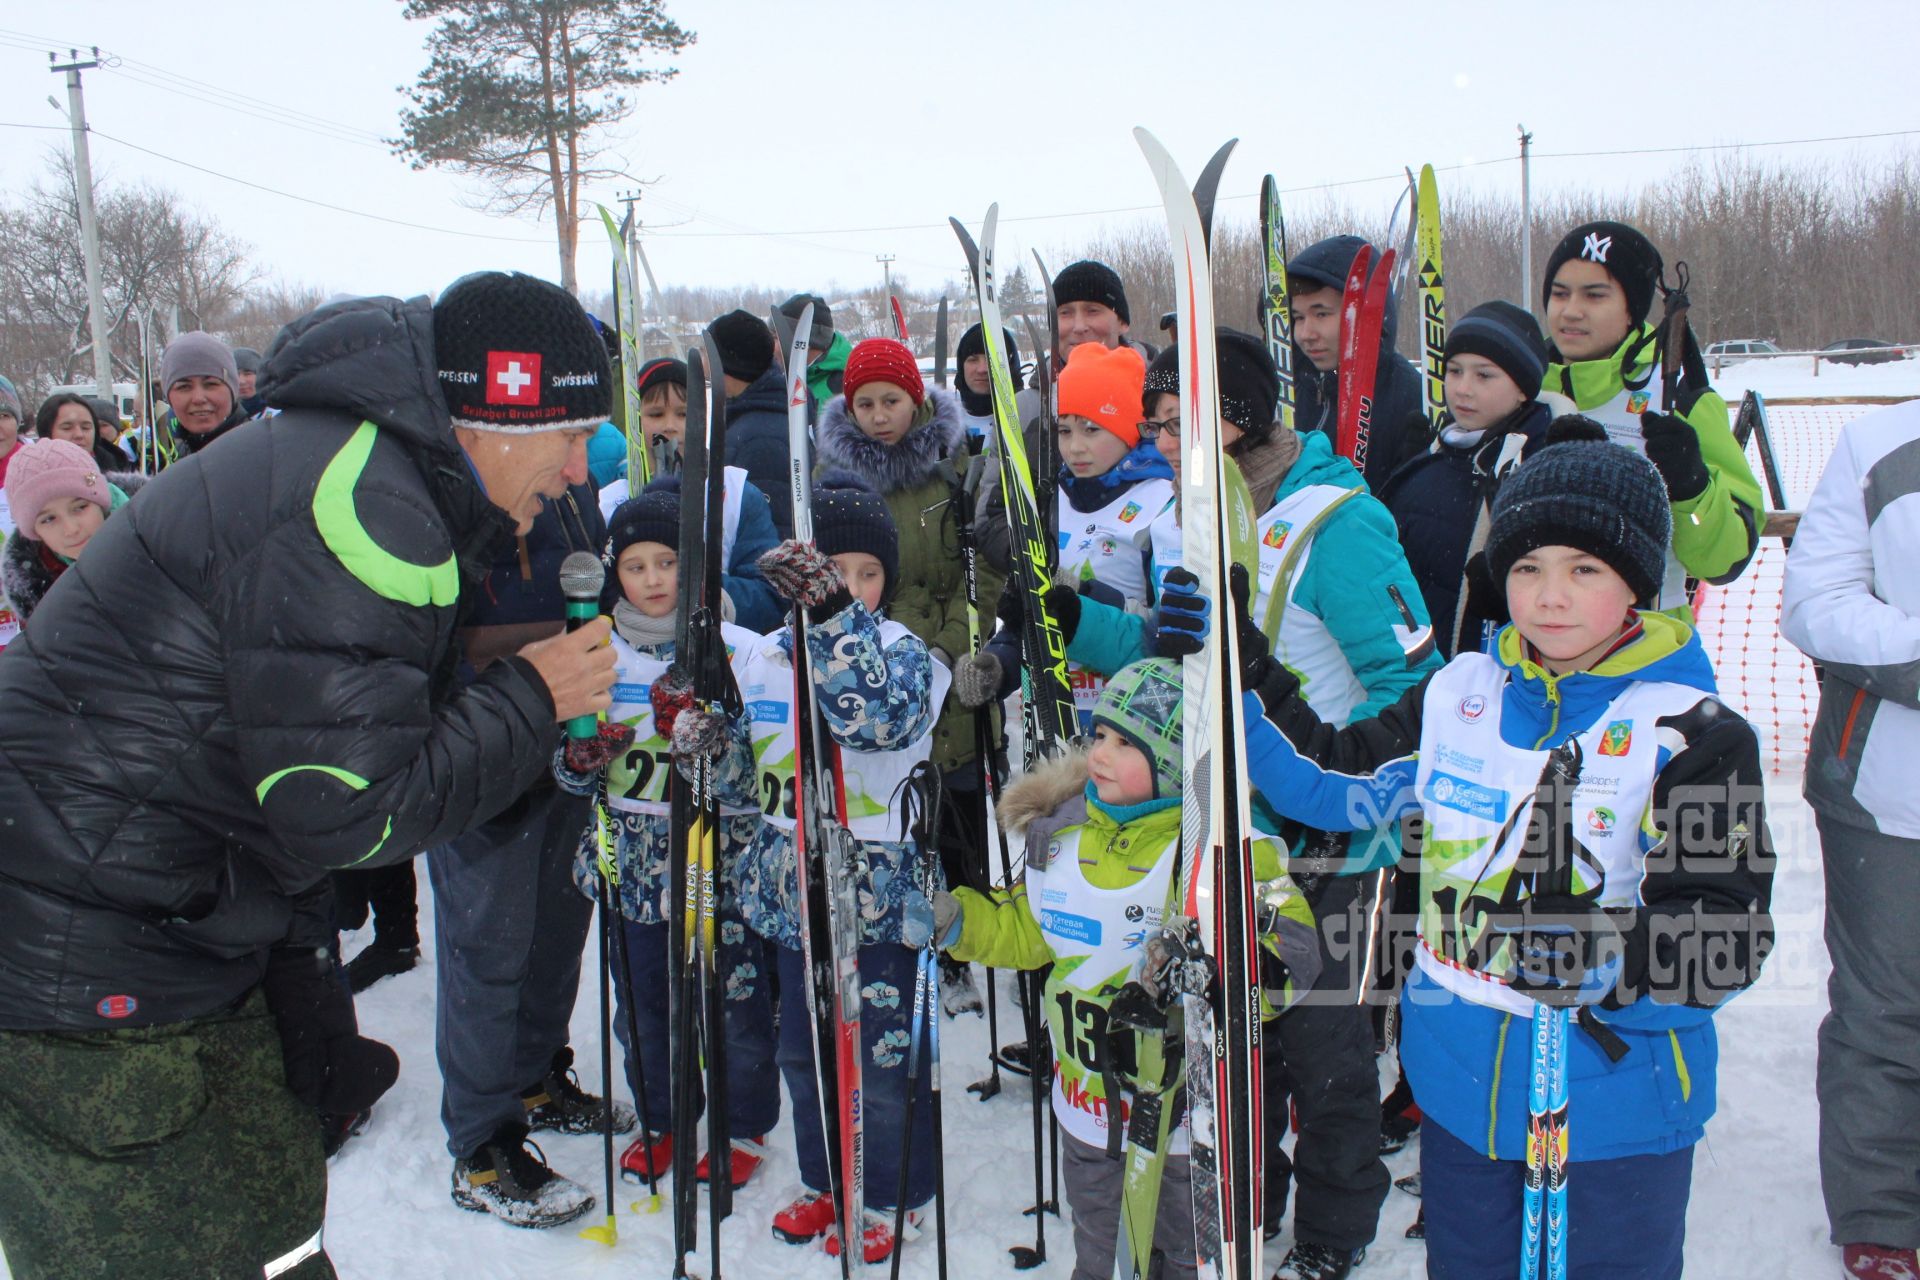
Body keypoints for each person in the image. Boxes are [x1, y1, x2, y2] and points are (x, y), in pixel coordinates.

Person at [0, 275, 622, 1278]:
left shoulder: (366, 460)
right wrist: (527, 696)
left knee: (268, 1219)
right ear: (491, 413)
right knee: (148, 1248)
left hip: (176, 915)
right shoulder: (364, 504)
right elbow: (353, 813)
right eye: (567, 431)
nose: (577, 463)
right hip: (79, 949)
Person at [1237, 421, 1775, 1279]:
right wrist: (1245, 670)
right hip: (1461, 1101)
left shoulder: (1691, 734)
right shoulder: (1459, 696)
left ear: (1636, 582)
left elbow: (1727, 936)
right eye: (1526, 568)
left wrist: (1606, 958)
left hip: (1611, 1111)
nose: (1548, 596)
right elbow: (1330, 783)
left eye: (1583, 570)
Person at [1131, 331, 1437, 1279]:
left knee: (1328, 1055)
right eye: (1160, 427)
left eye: (1189, 424)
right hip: (1232, 838)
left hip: (1332, 843)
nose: (1169, 445)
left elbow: (1410, 688)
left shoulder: (1334, 520)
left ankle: (1335, 1231)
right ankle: (1250, 1197)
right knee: (1240, 1037)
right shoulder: (1188, 520)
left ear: (1246, 417)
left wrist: (1336, 785)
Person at [935, 657, 1319, 1280]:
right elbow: (1030, 932)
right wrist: (955, 921)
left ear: (1173, 764)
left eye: (1126, 743)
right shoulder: (1058, 840)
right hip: (1086, 1109)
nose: (1101, 754)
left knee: (1182, 1254)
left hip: (1182, 1129)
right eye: (1100, 736)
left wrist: (1216, 974)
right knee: (1100, 1244)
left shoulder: (1223, 852)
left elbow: (1295, 959)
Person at [421, 277, 639, 1231]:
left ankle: (538, 1075)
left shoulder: (568, 499)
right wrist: (549, 652)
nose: (576, 458)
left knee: (559, 926)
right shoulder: (445, 503)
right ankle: (482, 1139)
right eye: (563, 431)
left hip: (567, 751)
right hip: (472, 755)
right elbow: (436, 647)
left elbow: (602, 606)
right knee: (486, 946)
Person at [737, 476, 952, 1264]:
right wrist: (697, 734)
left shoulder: (905, 658)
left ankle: (893, 1190)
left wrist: (834, 619)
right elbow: (742, 777)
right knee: (805, 1049)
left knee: (883, 1053)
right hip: (798, 888)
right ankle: (827, 1176)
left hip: (878, 894)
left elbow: (872, 720)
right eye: (832, 573)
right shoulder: (762, 657)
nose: (851, 589)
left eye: (865, 575)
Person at [552, 476, 779, 1190]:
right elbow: (566, 769)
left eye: (669, 562)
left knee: (734, 1002)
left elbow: (764, 776)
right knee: (645, 1002)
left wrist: (715, 747)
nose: (653, 580)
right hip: (634, 863)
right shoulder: (593, 650)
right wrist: (577, 761)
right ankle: (664, 1115)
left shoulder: (738, 650)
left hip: (720, 856)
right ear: (614, 571)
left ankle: (743, 1124)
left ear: (695, 566)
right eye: (636, 565)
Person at [816, 336, 1005, 1014]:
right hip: (865, 671)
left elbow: (979, 575)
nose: (878, 415)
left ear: (916, 398)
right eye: (863, 402)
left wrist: (950, 650)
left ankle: (963, 940)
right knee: (888, 813)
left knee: (953, 810)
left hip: (943, 669)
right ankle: (888, 932)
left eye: (890, 400)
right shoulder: (835, 474)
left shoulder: (955, 467)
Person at [1779, 399, 1920, 1280]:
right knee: (1885, 1011)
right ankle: (1880, 1213)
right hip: (1886, 791)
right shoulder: (1881, 443)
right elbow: (1815, 604)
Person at [1539, 220, 1763, 613]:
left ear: (1631, 310)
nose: (1571, 311)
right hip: (1534, 644)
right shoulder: (1518, 385)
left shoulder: (1675, 395)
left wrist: (1691, 488)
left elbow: (1724, 562)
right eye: (1560, 294)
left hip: (1648, 643)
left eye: (1594, 296)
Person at [1378, 300, 1569, 659]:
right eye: (1454, 371)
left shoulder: (1543, 468)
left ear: (1523, 388)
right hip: (1418, 668)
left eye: (1484, 375)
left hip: (1490, 675)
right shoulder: (1440, 452)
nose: (1462, 389)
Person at [593, 353, 784, 633]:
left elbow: (769, 591)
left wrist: (705, 590)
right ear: (636, 419)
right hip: (635, 657)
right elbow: (596, 590)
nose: (670, 426)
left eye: (683, 414)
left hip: (721, 654)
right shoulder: (611, 501)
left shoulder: (735, 492)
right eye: (656, 414)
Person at [1287, 235, 1429, 492]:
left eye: (1321, 314)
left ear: (1365, 313)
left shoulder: (1408, 398)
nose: (1306, 333)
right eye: (1298, 317)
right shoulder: (1289, 387)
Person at [709, 309, 805, 541]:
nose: (704, 361)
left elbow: (773, 534)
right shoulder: (752, 413)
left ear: (728, 364)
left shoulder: (760, 439)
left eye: (707, 352)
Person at [160, 331, 250, 455]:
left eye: (211, 384)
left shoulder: (259, 451)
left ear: (232, 391)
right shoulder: (175, 454)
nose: (198, 398)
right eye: (184, 387)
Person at [777, 292, 853, 410]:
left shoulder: (845, 386)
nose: (769, 345)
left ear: (803, 342)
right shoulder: (779, 381)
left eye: (775, 337)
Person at [233, 345, 270, 418]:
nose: (241, 381)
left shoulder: (278, 411)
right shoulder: (226, 416)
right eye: (235, 374)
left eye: (247, 374)